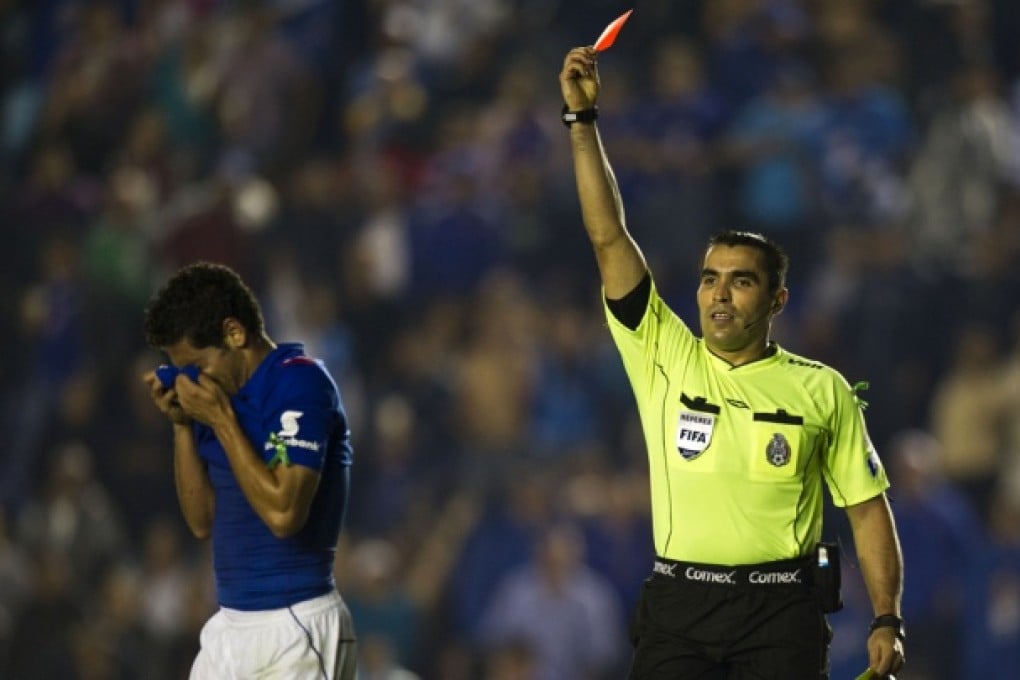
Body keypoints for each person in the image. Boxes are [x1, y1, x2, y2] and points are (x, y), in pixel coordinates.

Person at [559, 46, 906, 679]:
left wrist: (886, 617)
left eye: (740, 282)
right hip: (679, 607)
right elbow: (608, 234)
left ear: (777, 300)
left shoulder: (821, 389)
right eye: (709, 278)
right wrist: (582, 124)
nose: (718, 294)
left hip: (781, 612)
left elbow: (865, 507)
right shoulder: (662, 352)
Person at [141, 261, 357, 679]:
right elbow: (201, 522)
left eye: (198, 365)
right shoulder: (216, 398)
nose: (192, 380)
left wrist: (220, 420)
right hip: (229, 627)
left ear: (234, 333)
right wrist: (184, 426)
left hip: (296, 625)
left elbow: (284, 515)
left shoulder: (301, 385)